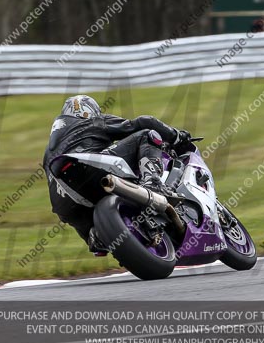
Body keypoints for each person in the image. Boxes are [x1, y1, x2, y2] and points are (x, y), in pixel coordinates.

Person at [42, 95, 191, 254]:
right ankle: (153, 182)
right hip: (87, 170)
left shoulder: (48, 152)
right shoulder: (91, 122)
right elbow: (143, 122)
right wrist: (176, 136)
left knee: (89, 228)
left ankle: (95, 236)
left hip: (63, 203)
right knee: (147, 135)